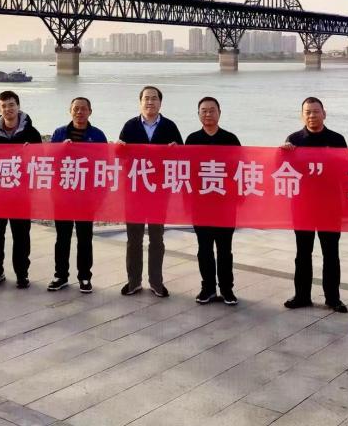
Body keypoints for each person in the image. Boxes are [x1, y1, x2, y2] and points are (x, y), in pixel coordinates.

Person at [281, 97, 348, 313]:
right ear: (302, 115)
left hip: (330, 206)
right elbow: (281, 171)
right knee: (303, 253)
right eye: (308, 112)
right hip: (303, 206)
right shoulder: (294, 140)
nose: (312, 115)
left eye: (316, 111)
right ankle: (302, 296)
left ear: (324, 114)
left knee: (331, 254)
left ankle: (333, 298)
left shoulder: (336, 139)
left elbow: (347, 171)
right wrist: (282, 153)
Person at [117, 85, 183, 297]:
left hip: (159, 192)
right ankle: (133, 281)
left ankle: (156, 282)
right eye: (146, 98)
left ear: (160, 102)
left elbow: (182, 156)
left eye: (154, 98)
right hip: (134, 191)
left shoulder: (170, 126)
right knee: (133, 239)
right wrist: (118, 148)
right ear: (140, 102)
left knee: (157, 238)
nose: (150, 102)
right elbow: (120, 157)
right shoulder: (130, 126)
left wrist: (176, 150)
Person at [48, 97, 108, 293]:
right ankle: (60, 275)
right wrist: (61, 150)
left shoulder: (97, 135)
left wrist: (100, 196)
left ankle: (84, 277)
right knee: (62, 237)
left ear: (90, 111)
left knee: (85, 238)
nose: (79, 112)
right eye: (76, 109)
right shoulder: (59, 133)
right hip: (63, 194)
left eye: (83, 109)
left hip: (86, 196)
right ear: (70, 111)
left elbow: (104, 164)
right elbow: (49, 161)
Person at [0, 90, 42, 289]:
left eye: (11, 105)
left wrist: (32, 153)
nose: (8, 109)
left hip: (21, 194)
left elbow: (41, 161)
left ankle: (22, 274)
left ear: (18, 106)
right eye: (4, 106)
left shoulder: (31, 133)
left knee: (21, 236)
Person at [186, 97, 240, 306]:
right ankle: (207, 288)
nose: (208, 114)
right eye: (204, 110)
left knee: (225, 249)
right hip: (200, 205)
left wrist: (239, 198)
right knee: (204, 249)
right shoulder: (192, 139)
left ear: (219, 113)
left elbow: (241, 169)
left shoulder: (230, 139)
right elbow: (186, 171)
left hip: (225, 205)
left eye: (212, 110)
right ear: (198, 114)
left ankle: (227, 289)